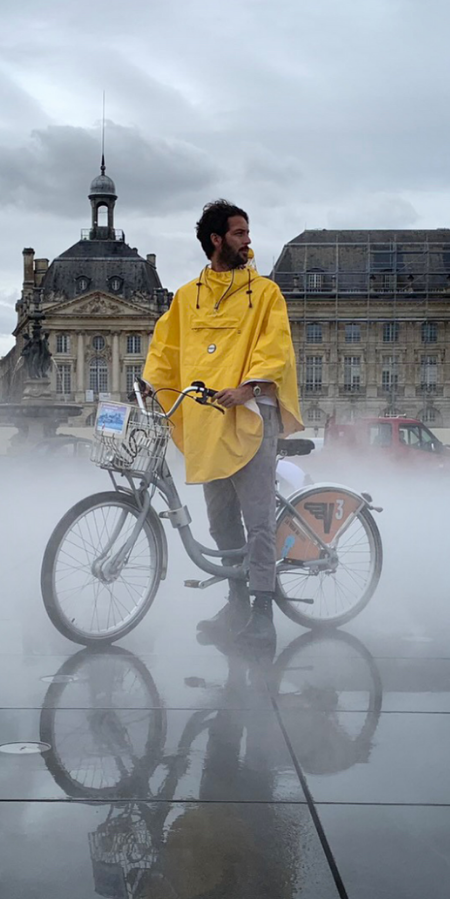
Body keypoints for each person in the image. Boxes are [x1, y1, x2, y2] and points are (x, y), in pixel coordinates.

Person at [141, 199, 302, 646]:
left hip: (251, 413)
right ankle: (236, 604)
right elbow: (166, 348)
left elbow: (275, 346)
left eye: (247, 232)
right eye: (239, 233)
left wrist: (249, 387)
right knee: (221, 522)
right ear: (216, 240)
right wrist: (151, 385)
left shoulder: (265, 293)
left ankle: (263, 612)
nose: (248, 240)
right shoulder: (186, 297)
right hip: (207, 419)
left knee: (258, 521)